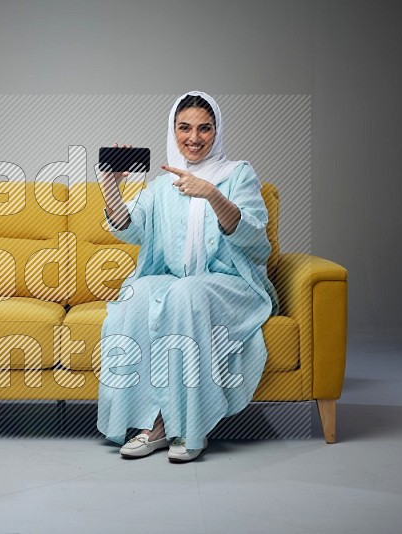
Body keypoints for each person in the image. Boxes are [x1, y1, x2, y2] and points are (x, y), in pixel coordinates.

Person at [96, 90, 280, 462]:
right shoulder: (162, 185)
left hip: (230, 283)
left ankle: (187, 428)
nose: (193, 138)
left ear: (217, 131)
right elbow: (131, 228)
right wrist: (110, 186)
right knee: (139, 295)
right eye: (184, 128)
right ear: (173, 130)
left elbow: (253, 234)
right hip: (179, 280)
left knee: (185, 295)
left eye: (204, 128)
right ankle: (153, 423)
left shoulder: (238, 174)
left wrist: (212, 194)